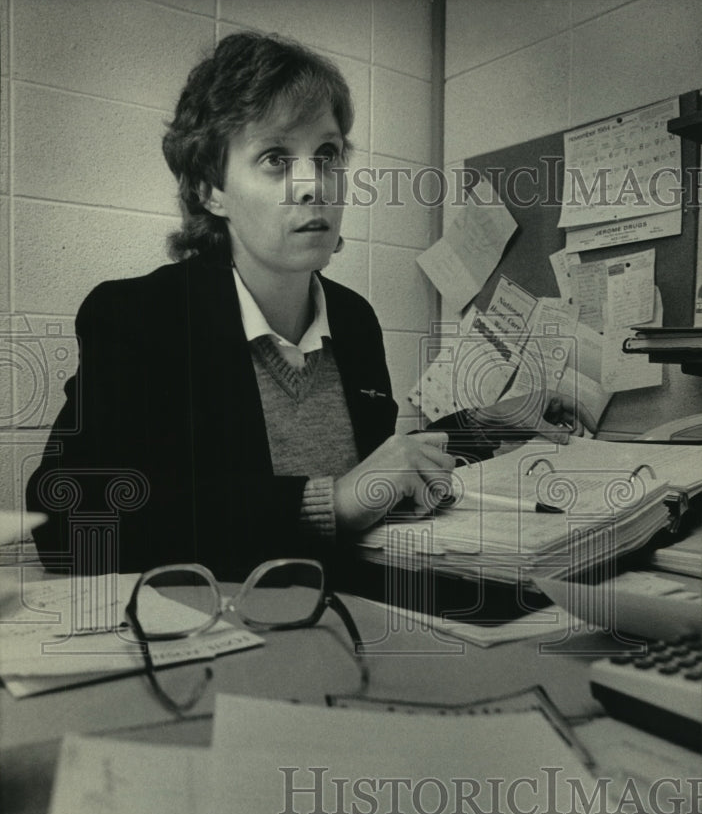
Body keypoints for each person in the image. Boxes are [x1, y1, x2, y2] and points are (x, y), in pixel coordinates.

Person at [27, 31, 584, 582]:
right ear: (208, 189)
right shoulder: (138, 317)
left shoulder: (354, 320)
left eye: (327, 154)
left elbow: (375, 469)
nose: (313, 184)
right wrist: (329, 503)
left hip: (352, 623)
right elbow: (69, 520)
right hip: (222, 640)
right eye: (274, 157)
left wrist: (486, 425)